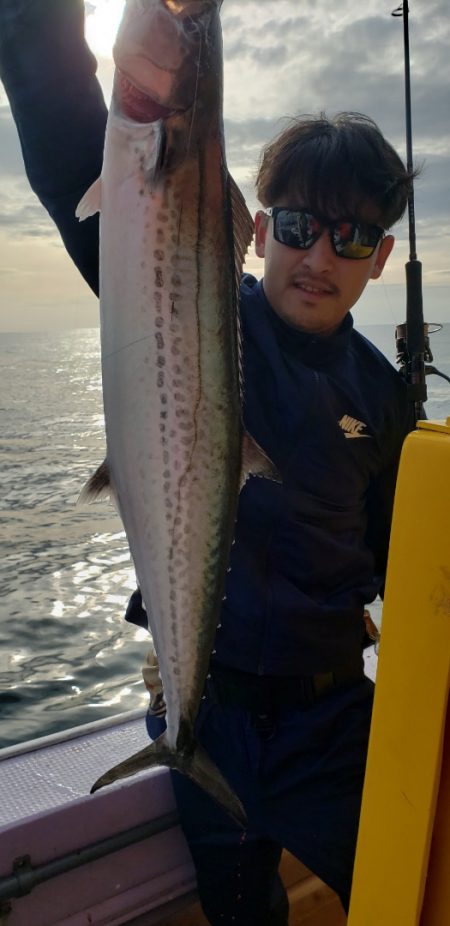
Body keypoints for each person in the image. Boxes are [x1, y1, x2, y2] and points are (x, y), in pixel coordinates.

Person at [0, 2, 416, 922]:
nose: (320, 256)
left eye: (351, 239)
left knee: (406, 897)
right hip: (205, 719)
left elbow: (403, 566)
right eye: (302, 224)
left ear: (380, 257)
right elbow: (71, 138)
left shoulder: (385, 398)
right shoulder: (184, 298)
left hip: (333, 728)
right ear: (259, 228)